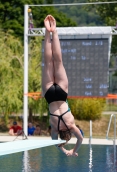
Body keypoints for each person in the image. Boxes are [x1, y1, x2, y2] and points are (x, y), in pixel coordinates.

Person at [42, 15, 83, 157]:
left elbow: (81, 138)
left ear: (69, 134)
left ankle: (54, 30)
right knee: (48, 62)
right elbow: (55, 142)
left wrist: (74, 150)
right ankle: (47, 31)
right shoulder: (54, 129)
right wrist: (65, 150)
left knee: (58, 61)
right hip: (50, 96)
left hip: (61, 93)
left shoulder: (72, 126)